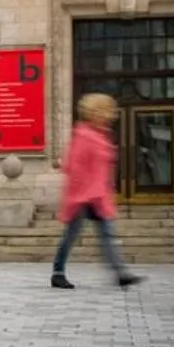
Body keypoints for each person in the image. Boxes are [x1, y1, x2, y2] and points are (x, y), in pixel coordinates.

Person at [52, 93, 143, 290]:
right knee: (71, 235)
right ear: (95, 113)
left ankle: (120, 273)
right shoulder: (83, 136)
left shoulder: (102, 136)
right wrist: (83, 191)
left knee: (107, 235)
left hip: (99, 196)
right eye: (107, 112)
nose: (111, 116)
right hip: (82, 197)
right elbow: (72, 166)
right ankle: (58, 272)